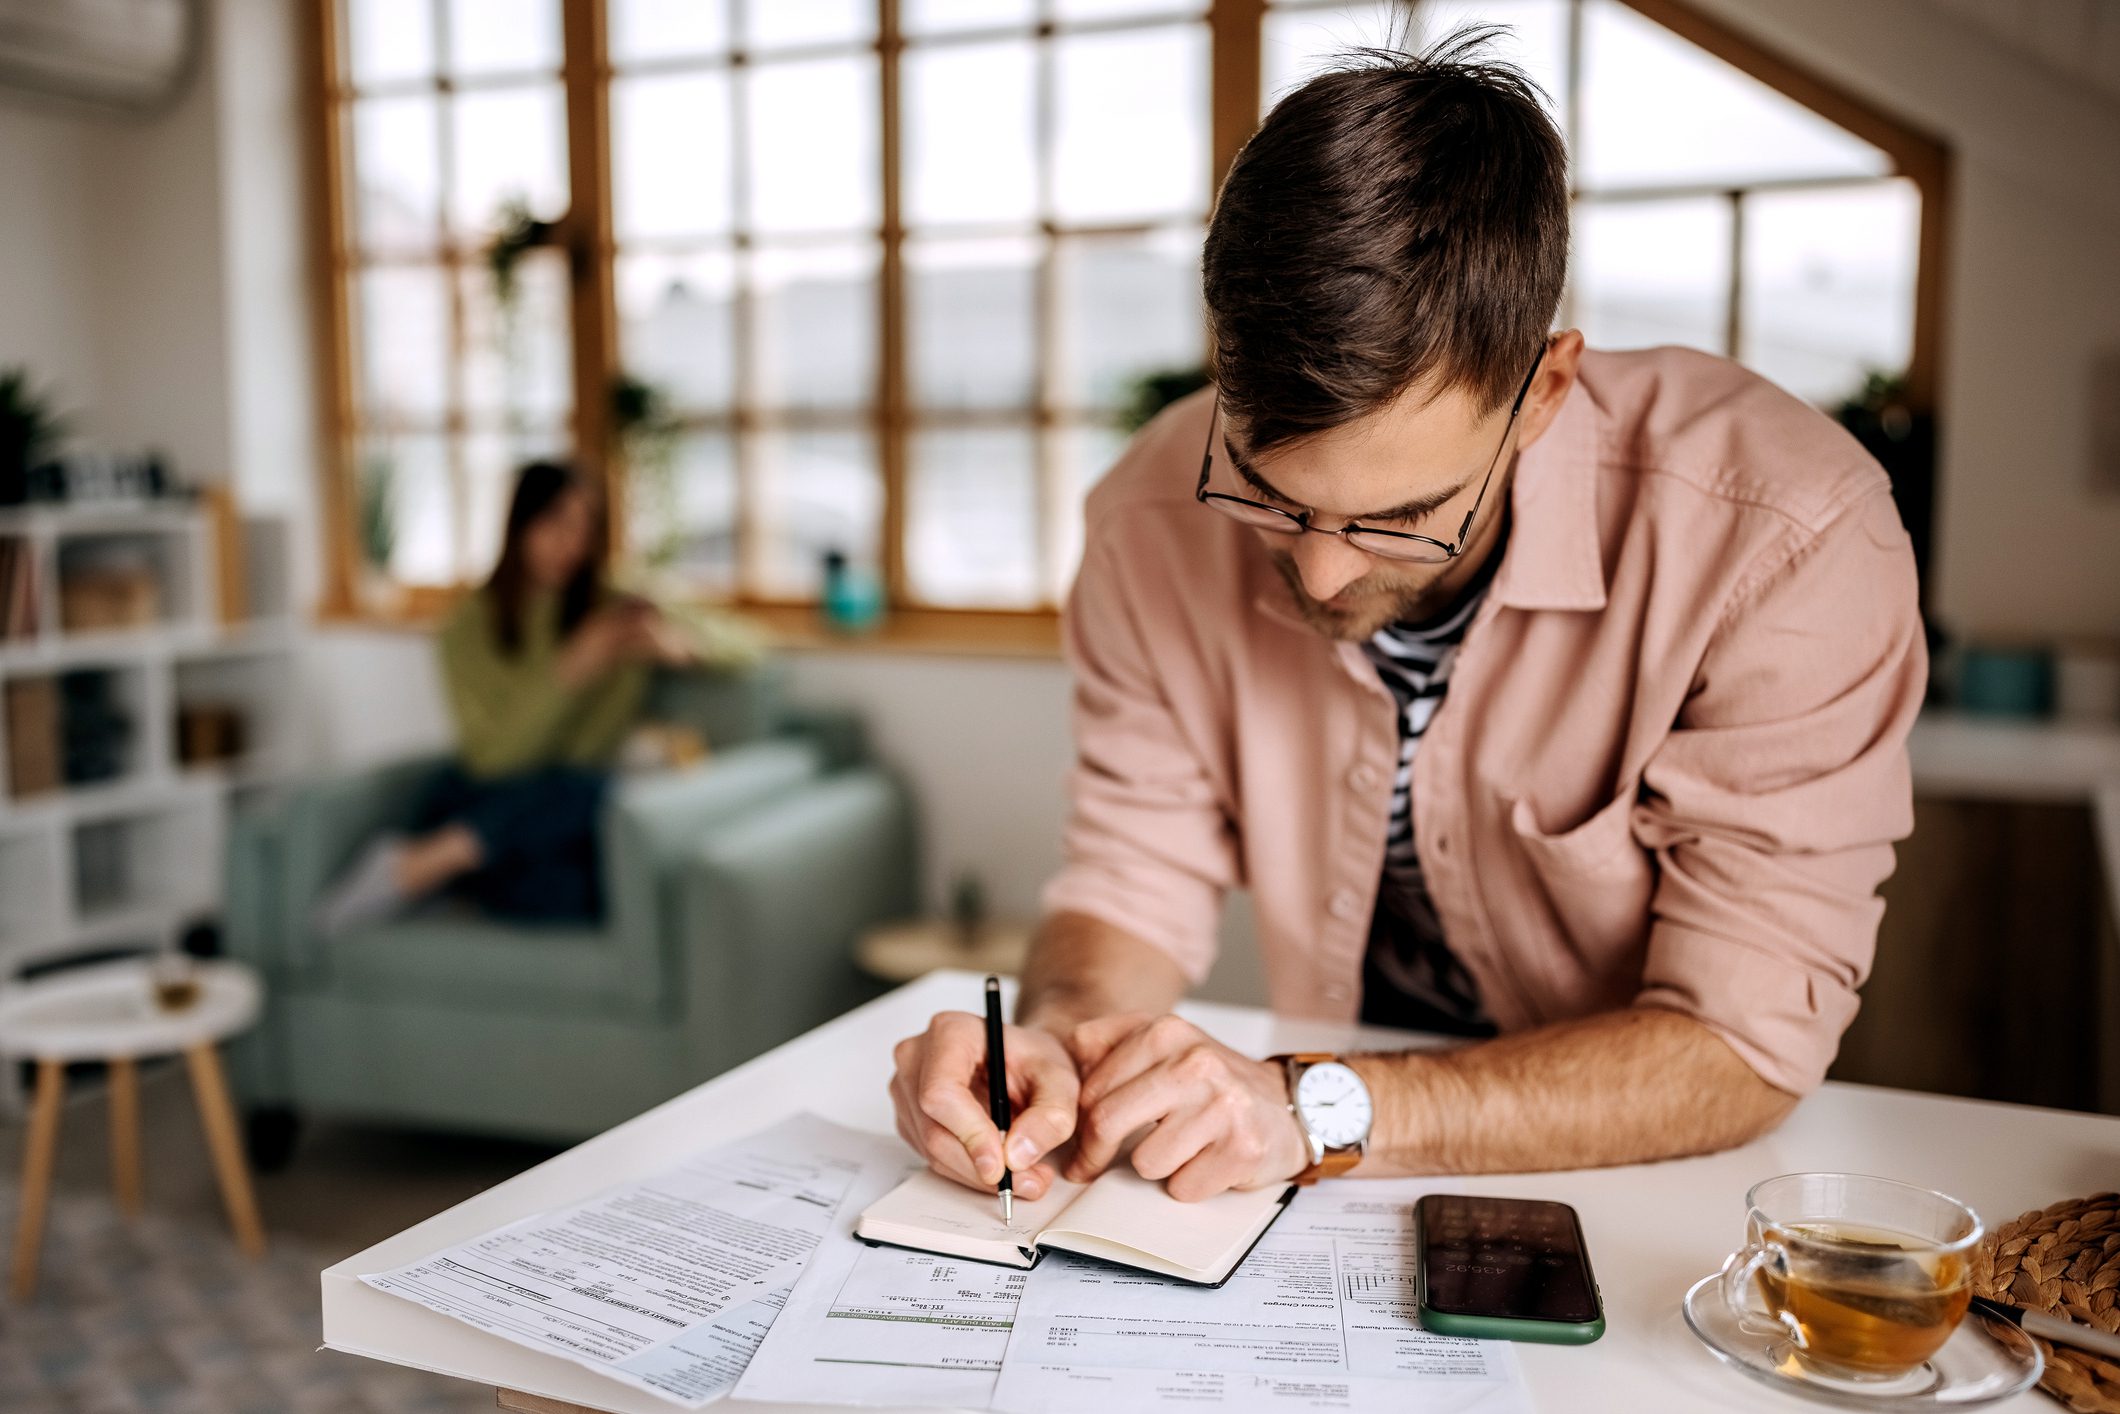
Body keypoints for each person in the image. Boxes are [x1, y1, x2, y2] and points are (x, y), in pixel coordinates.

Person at [889, 32, 1926, 1204]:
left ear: (1541, 390)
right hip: (1320, 1164)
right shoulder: (1144, 516)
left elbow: (1736, 1045)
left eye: (1400, 516)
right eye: (1267, 496)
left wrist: (1308, 1104)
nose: (1323, 577)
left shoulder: (1784, 533)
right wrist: (1062, 1045)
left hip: (1647, 1173)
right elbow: (1133, 875)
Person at [317, 460, 696, 931]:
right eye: (556, 522)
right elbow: (494, 758)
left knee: (582, 874)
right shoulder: (468, 627)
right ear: (520, 524)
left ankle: (448, 874)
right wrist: (572, 668)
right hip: (486, 793)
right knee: (584, 791)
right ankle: (420, 866)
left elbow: (739, 642)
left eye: (585, 527)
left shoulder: (614, 608)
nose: (572, 544)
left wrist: (681, 645)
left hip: (564, 814)